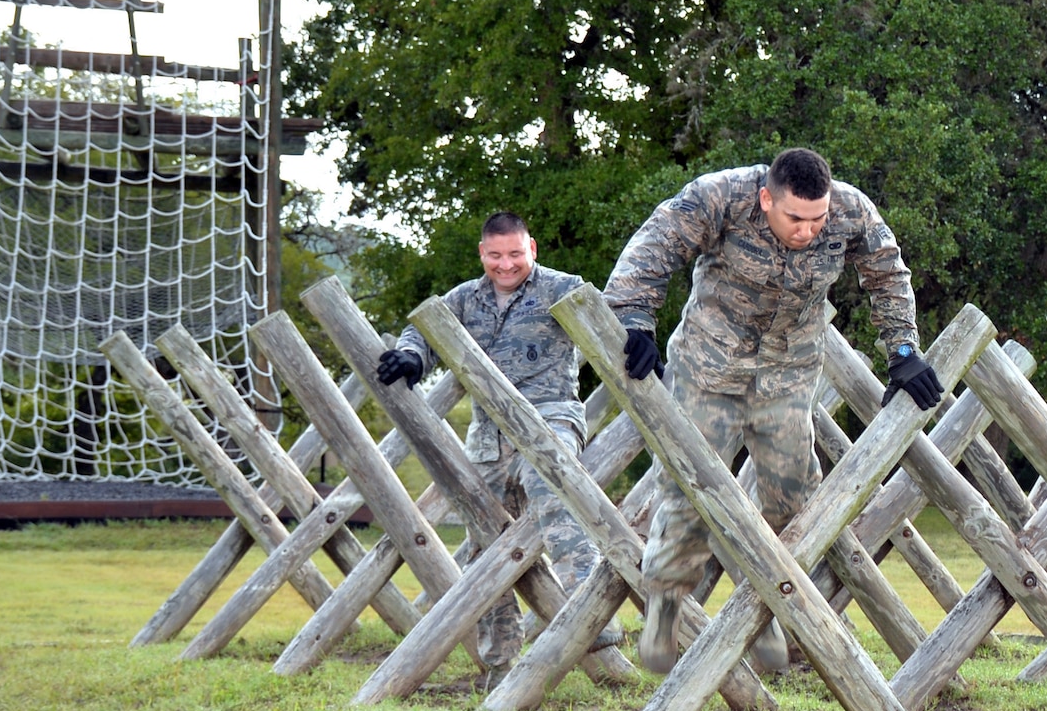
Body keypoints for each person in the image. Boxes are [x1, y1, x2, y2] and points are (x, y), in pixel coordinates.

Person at [604, 147, 942, 674]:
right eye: (795, 218)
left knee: (792, 494)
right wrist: (635, 320)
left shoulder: (852, 210)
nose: (807, 230)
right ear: (766, 198)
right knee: (689, 488)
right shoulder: (719, 196)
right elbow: (655, 244)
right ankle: (666, 605)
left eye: (817, 219)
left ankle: (769, 615)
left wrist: (902, 350)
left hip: (788, 372)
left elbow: (887, 274)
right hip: (709, 366)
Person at [374, 211, 606, 680]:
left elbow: (608, 321)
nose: (506, 264)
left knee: (553, 484)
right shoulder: (464, 298)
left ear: (532, 248)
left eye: (515, 253)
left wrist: (639, 346)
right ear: (483, 253)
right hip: (488, 435)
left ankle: (588, 607)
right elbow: (422, 328)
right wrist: (413, 356)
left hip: (550, 418)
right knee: (485, 545)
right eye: (496, 255)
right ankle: (500, 664)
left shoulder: (562, 288)